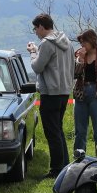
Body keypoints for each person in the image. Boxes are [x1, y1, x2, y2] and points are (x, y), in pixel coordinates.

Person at [27, 13, 74, 179]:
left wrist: (33, 52)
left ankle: (56, 169)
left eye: (35, 29)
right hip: (64, 91)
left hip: (50, 92)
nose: (36, 32)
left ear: (41, 26)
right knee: (58, 129)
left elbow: (37, 67)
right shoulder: (67, 42)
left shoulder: (46, 43)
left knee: (52, 132)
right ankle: (65, 164)